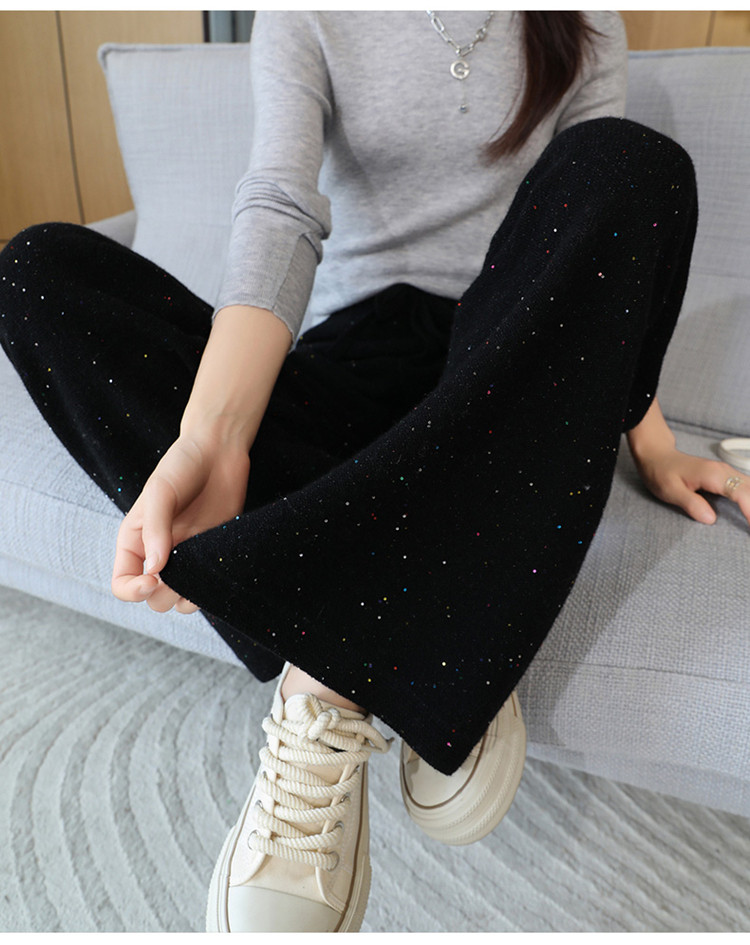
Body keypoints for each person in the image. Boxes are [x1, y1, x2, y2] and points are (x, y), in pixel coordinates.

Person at [1, 10, 748, 934]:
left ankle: (328, 673)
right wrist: (211, 438)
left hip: (497, 370)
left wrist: (654, 440)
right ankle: (448, 614)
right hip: (341, 363)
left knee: (634, 164)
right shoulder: (309, 14)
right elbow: (279, 203)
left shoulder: (584, 22)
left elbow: (594, 267)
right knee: (35, 270)